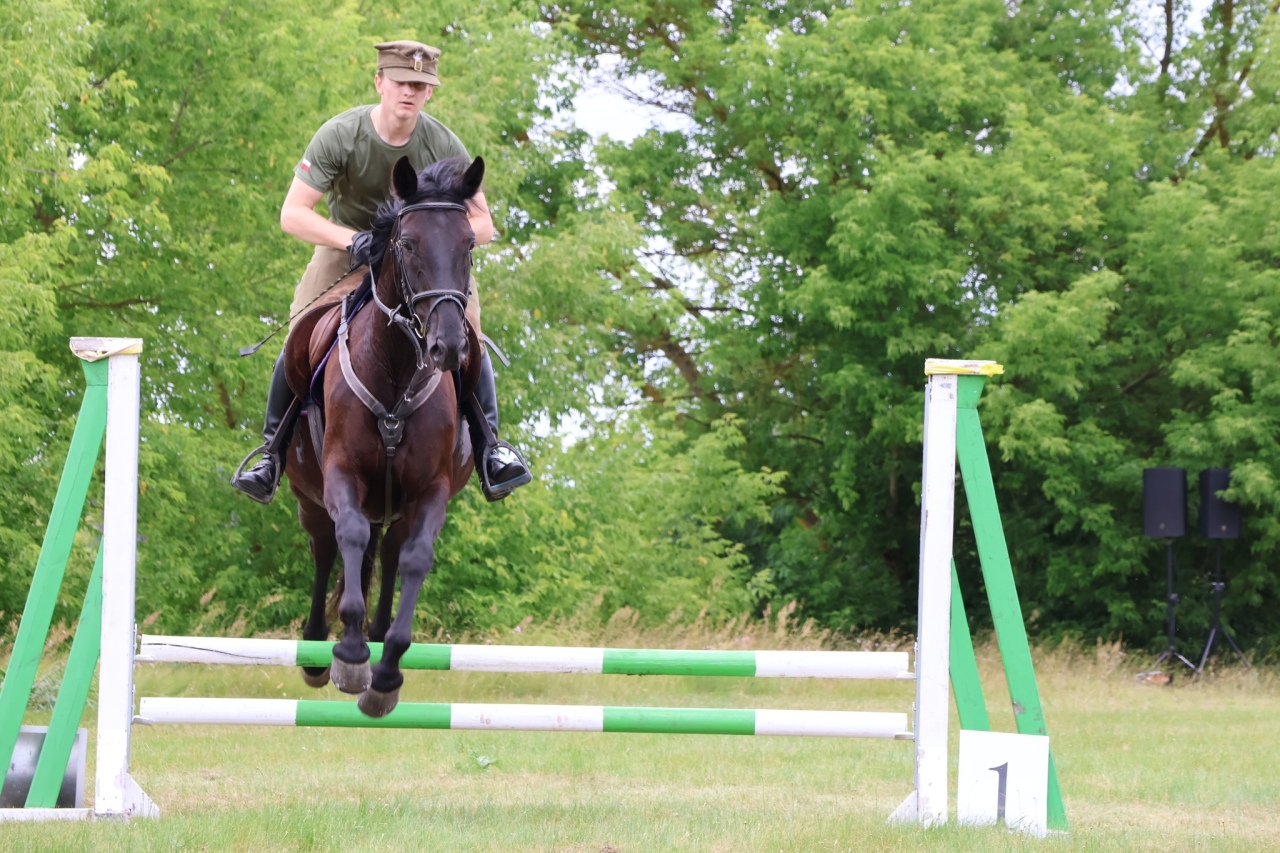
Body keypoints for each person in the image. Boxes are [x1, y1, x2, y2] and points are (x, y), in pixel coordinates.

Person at [232, 40, 530, 504]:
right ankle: (271, 452)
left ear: (430, 92)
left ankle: (493, 448)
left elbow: (484, 224)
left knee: (467, 331)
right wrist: (351, 239)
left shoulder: (442, 142)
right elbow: (292, 214)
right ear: (380, 83)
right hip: (348, 249)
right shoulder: (340, 134)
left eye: (421, 85)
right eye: (402, 83)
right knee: (301, 334)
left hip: (425, 261)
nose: (410, 92)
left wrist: (441, 237)